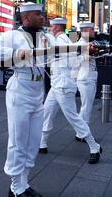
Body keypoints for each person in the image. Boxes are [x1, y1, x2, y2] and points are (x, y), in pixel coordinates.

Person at [0, 2, 50, 197]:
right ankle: (15, 187)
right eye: (38, 14)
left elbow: (62, 51)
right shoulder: (11, 36)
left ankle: (23, 183)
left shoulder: (44, 37)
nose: (42, 17)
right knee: (18, 141)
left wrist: (85, 49)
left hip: (38, 92)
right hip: (20, 90)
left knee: (32, 141)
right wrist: (15, 55)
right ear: (26, 17)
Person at [39, 18, 102, 164]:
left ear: (56, 27)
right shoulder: (62, 41)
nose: (49, 28)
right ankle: (42, 143)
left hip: (63, 84)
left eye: (51, 26)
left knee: (73, 117)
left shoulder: (62, 41)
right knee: (47, 112)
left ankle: (94, 146)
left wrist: (85, 54)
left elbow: (69, 61)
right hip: (57, 84)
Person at [76, 22, 98, 126]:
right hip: (85, 78)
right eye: (92, 29)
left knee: (87, 106)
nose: (94, 32)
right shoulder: (79, 44)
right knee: (86, 107)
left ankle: (81, 131)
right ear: (85, 31)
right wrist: (88, 54)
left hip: (90, 77)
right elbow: (74, 61)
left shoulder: (90, 43)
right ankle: (82, 133)